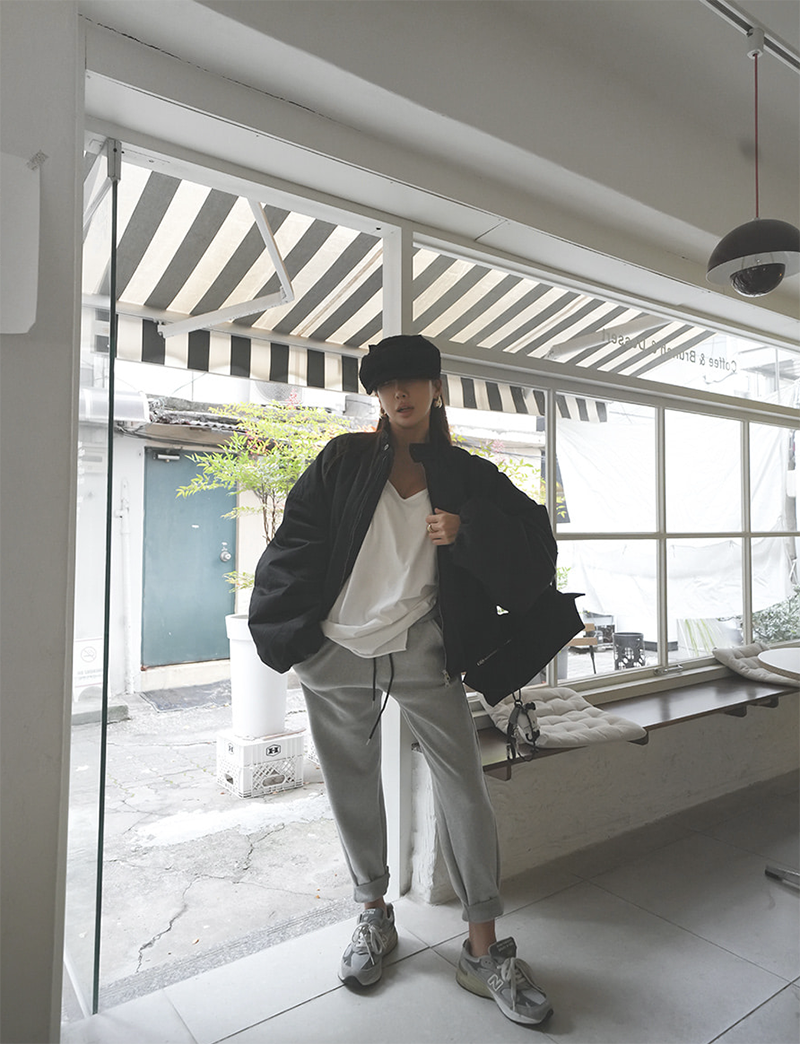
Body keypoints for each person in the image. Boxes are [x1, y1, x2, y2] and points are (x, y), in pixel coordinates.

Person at [249, 334, 558, 1027]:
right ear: (377, 396)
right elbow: (294, 543)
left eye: (412, 380)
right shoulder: (344, 459)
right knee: (351, 785)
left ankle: (483, 949)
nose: (399, 394)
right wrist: (299, 642)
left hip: (422, 650)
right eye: (386, 385)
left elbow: (538, 549)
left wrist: (467, 530)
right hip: (336, 649)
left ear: (435, 388)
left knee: (465, 791)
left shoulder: (465, 474)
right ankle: (373, 914)